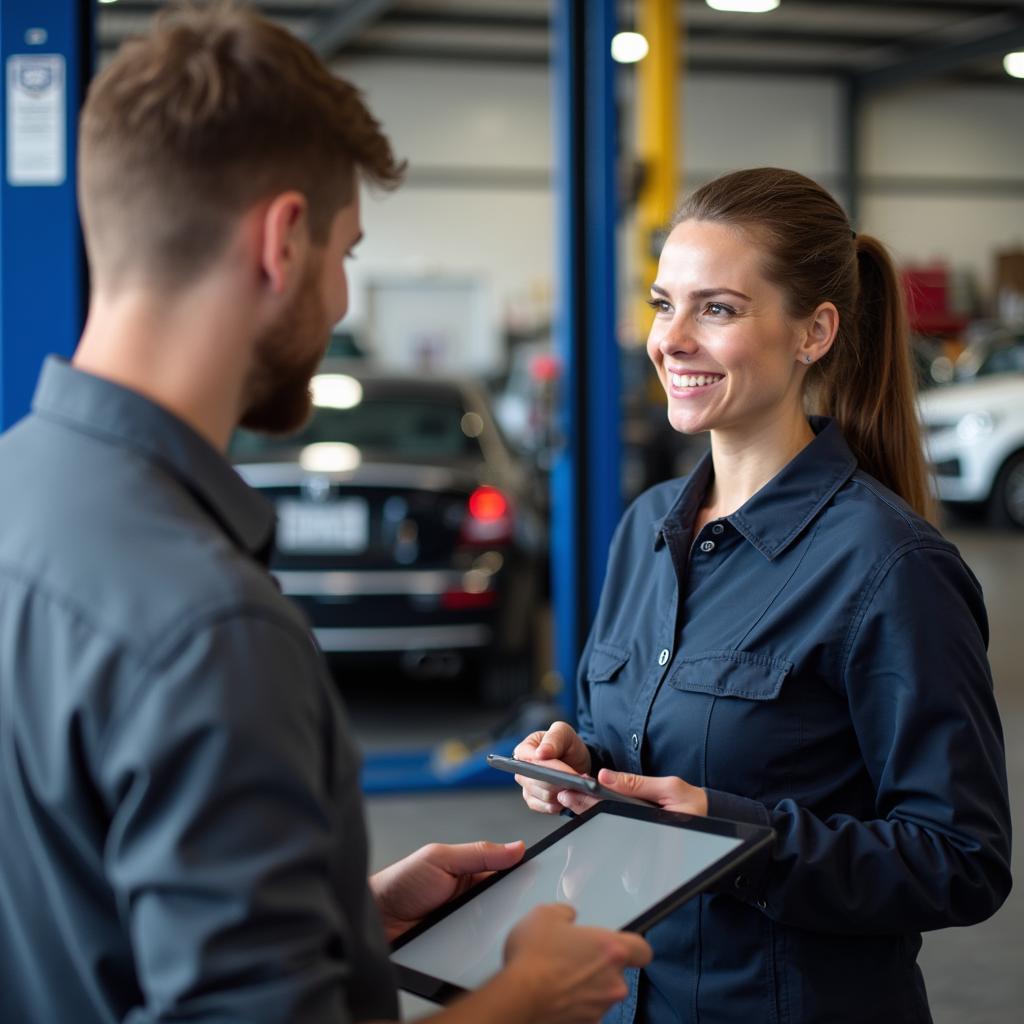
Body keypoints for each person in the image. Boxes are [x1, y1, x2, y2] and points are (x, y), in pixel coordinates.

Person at [0, 6, 650, 1023]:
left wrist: (343, 918)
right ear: (282, 238)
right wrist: (525, 998)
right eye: (345, 252)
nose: (341, 298)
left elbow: (83, 908)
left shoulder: (18, 493)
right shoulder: (209, 627)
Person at [513, 167, 1012, 1024]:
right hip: (637, 998)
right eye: (665, 303)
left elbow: (961, 859)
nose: (671, 339)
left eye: (719, 309)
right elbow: (654, 743)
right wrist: (585, 767)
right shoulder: (646, 531)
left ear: (815, 331)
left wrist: (735, 836)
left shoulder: (891, 568)